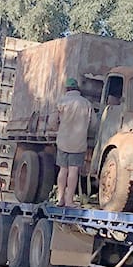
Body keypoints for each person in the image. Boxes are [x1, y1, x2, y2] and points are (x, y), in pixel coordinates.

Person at [50, 76, 93, 207]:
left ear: (67, 88)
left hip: (63, 141)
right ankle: (69, 200)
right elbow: (94, 124)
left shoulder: (62, 101)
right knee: (73, 171)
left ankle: (60, 199)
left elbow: (52, 122)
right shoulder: (86, 103)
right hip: (78, 143)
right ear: (77, 88)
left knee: (63, 170)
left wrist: (58, 129)